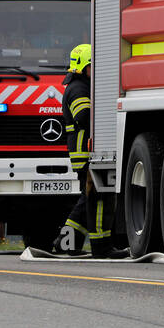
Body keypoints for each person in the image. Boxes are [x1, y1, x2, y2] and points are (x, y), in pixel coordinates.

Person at [51, 43, 124, 258]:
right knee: (99, 199)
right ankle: (101, 248)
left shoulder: (82, 86)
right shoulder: (78, 89)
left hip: (86, 154)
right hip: (87, 154)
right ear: (82, 67)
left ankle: (66, 243)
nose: (96, 71)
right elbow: (83, 117)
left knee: (87, 201)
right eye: (93, 66)